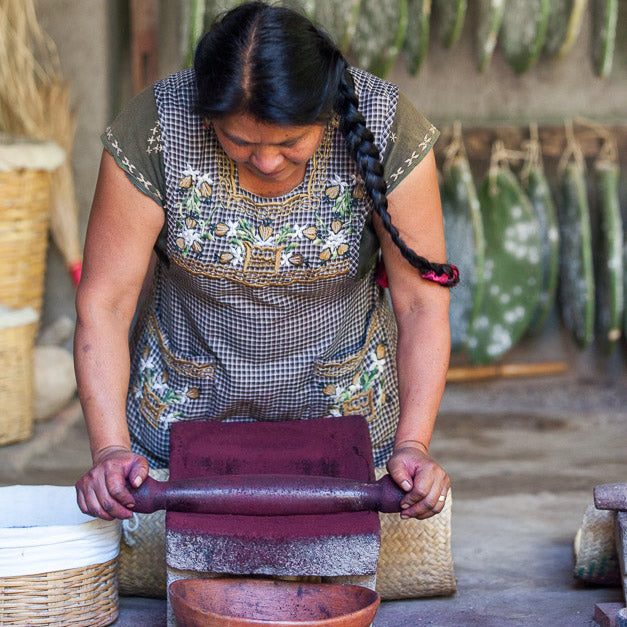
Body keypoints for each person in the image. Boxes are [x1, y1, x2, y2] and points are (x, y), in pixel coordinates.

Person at [75, 1, 458, 525]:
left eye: (291, 142)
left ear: (325, 112)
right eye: (240, 141)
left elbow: (421, 305)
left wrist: (413, 445)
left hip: (346, 425)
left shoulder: (385, 125)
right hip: (179, 428)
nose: (267, 160)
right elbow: (106, 303)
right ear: (209, 116)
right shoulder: (157, 127)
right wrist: (110, 451)